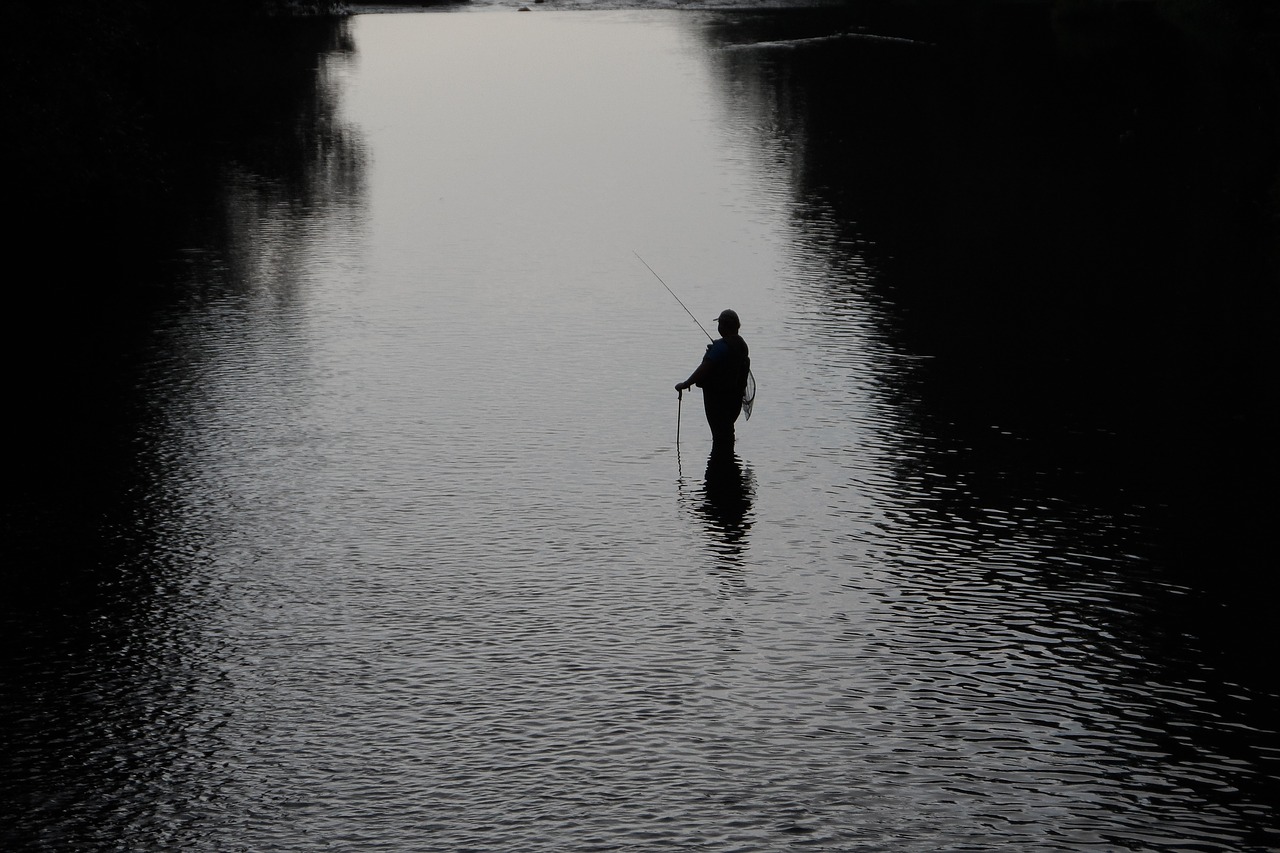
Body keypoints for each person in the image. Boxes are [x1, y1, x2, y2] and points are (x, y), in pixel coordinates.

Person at [675, 309, 751, 447]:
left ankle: (721, 464)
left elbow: (706, 367)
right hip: (734, 401)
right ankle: (728, 462)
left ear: (722, 326)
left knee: (720, 434)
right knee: (727, 432)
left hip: (718, 401)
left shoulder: (721, 347)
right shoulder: (741, 345)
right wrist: (717, 347)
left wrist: (686, 384)